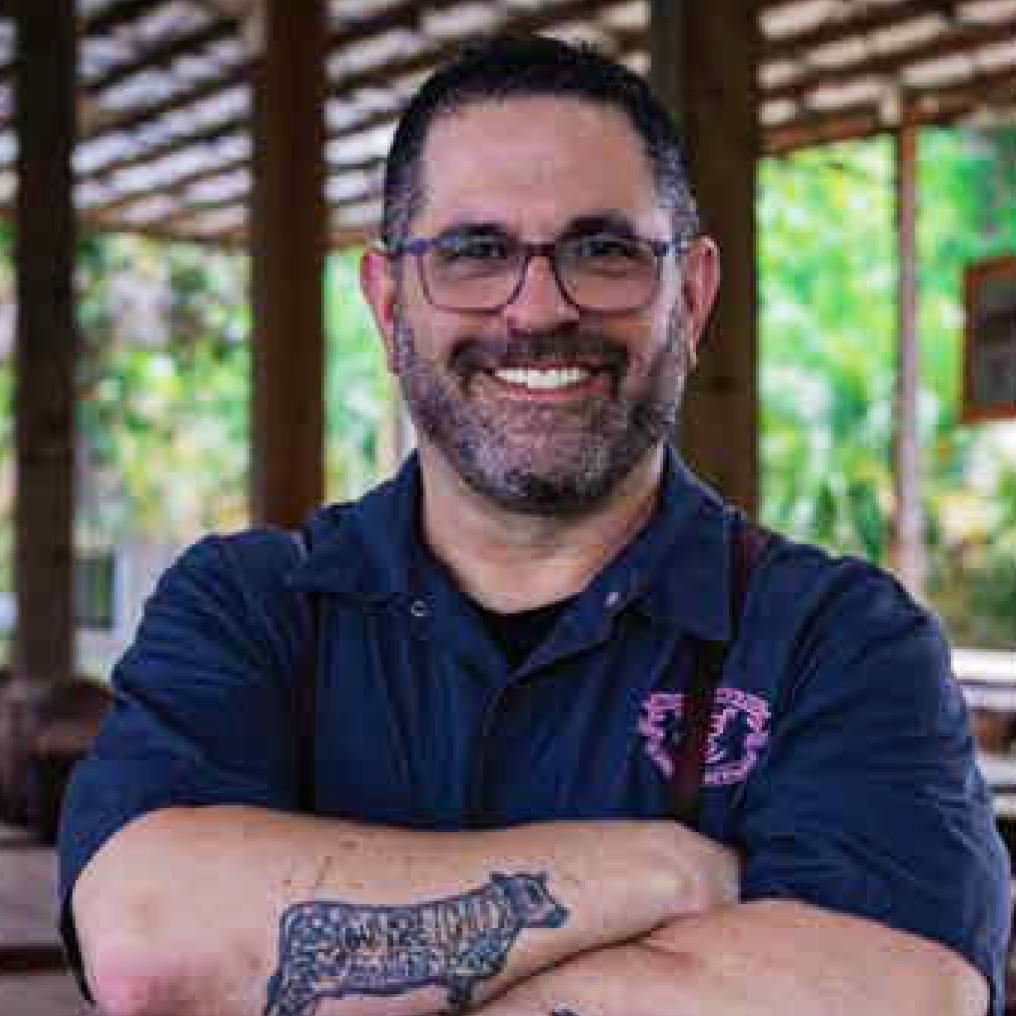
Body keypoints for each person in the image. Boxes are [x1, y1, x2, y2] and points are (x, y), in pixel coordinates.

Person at [58, 33, 1009, 1016]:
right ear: (388, 305)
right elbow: (147, 944)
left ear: (691, 296)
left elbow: (903, 990)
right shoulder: (251, 608)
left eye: (603, 251)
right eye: (475, 252)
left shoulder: (836, 641)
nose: (539, 307)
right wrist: (665, 872)